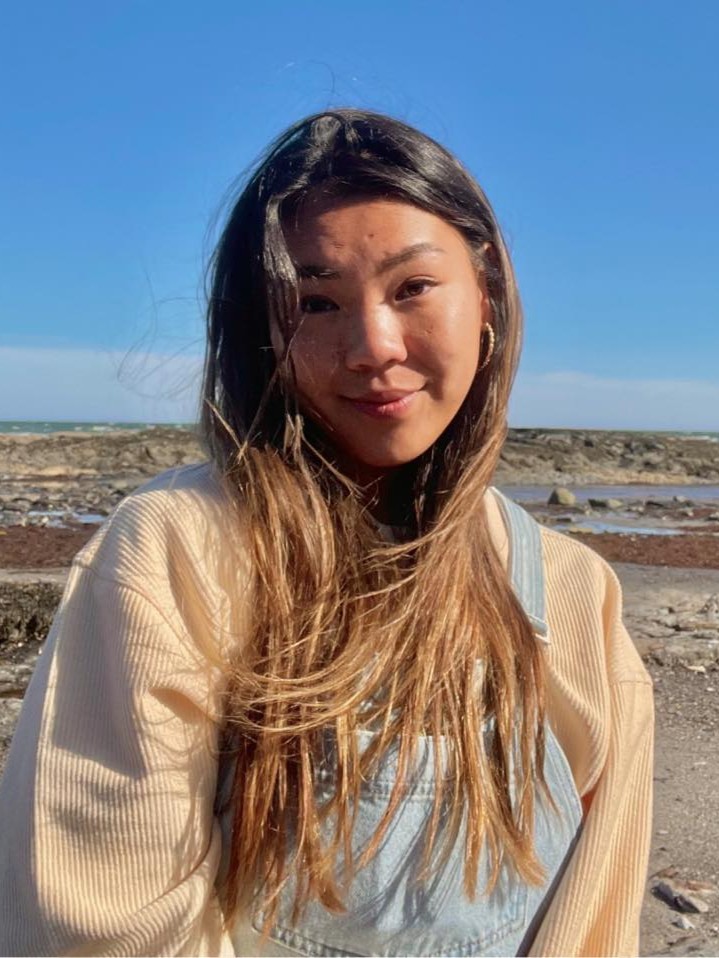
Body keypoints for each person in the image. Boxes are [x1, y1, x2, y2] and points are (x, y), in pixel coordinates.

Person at [0, 109, 654, 957]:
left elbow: (594, 923)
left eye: (412, 288)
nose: (371, 347)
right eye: (315, 302)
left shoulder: (573, 592)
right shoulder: (178, 550)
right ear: (265, 331)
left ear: (485, 295)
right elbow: (104, 923)